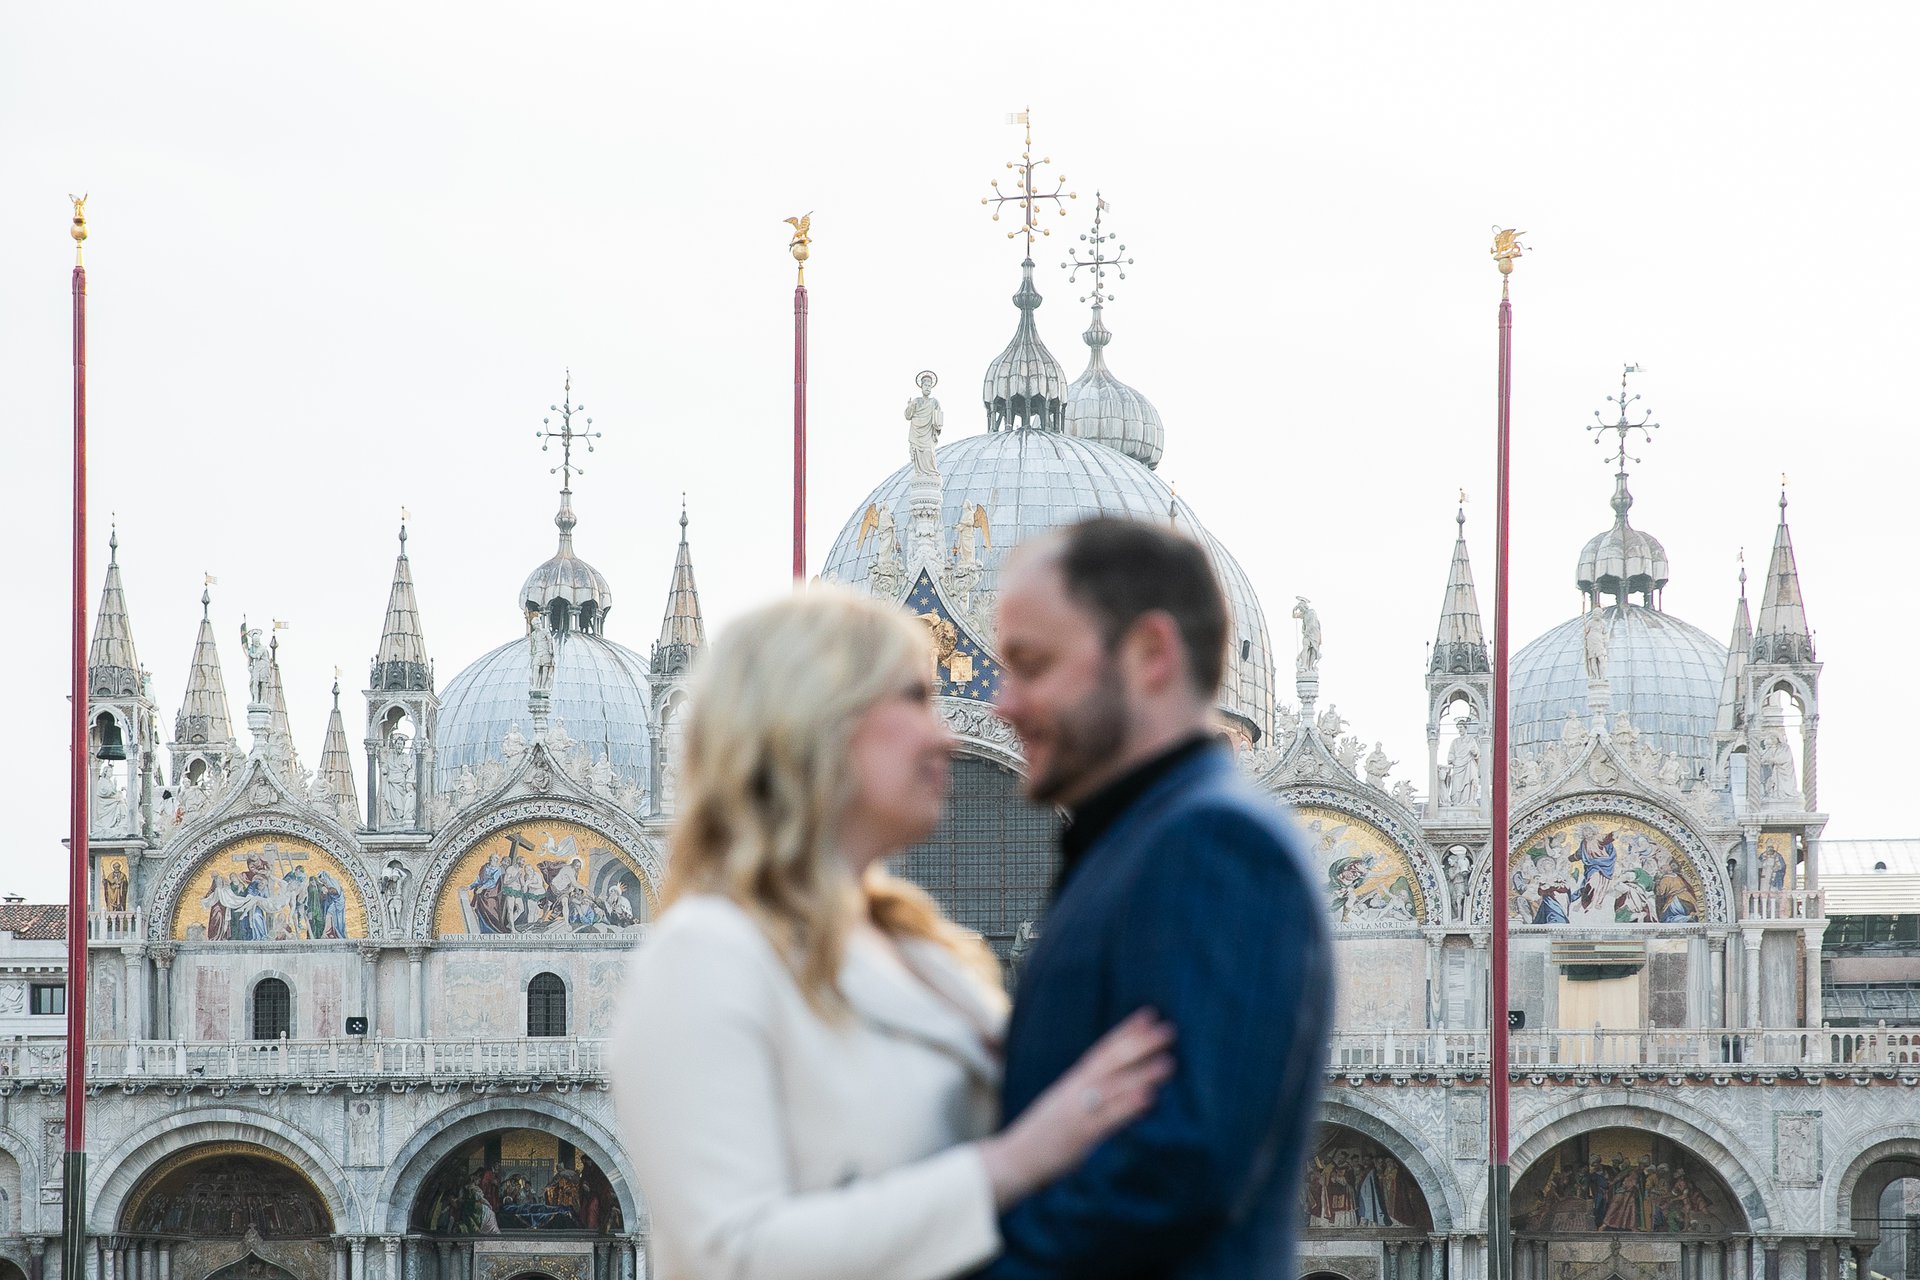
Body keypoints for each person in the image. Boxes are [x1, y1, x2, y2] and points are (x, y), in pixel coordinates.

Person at [610, 587, 1175, 1280]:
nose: (945, 733)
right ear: (812, 722)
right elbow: (733, 1256)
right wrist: (1012, 1162)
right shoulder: (706, 953)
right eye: (913, 699)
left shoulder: (922, 949)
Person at [987, 516, 1334, 1279]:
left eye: (1032, 666)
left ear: (1150, 654)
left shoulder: (1214, 846)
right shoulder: (1133, 846)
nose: (1001, 705)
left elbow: (1174, 1173)